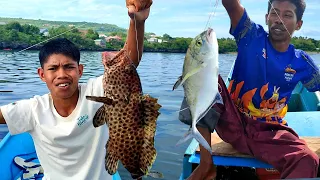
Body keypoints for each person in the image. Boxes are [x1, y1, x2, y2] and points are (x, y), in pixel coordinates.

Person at [0, 0, 152, 179]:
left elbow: (129, 63)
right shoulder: (34, 109)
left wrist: (137, 21)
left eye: (69, 67)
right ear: (41, 74)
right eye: (53, 68)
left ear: (80, 70)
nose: (62, 74)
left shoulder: (99, 90)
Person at [179, 0, 320, 179]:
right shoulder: (251, 35)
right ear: (267, 17)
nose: (279, 19)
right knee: (198, 75)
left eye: (287, 15)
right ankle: (207, 164)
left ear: (298, 24)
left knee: (307, 159)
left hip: (270, 132)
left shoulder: (302, 62)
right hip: (232, 122)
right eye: (275, 13)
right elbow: (231, 5)